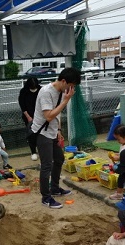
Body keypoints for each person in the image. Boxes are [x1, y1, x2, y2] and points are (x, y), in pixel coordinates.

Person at [30, 67, 81, 209]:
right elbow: (48, 115)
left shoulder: (61, 92)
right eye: (71, 86)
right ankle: (46, 198)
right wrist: (66, 101)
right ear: (64, 81)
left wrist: (58, 130)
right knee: (46, 165)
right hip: (42, 133)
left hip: (52, 132)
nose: (72, 90)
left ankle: (55, 188)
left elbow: (56, 114)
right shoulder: (46, 92)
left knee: (59, 159)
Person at [18, 77, 41, 161]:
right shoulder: (24, 91)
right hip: (28, 116)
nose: (34, 88)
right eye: (32, 86)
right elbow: (22, 105)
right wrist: (28, 117)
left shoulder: (40, 90)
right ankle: (33, 152)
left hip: (40, 115)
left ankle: (41, 151)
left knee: (41, 134)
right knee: (31, 134)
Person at [109, 124, 125, 200]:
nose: (118, 141)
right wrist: (116, 154)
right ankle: (119, 194)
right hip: (124, 168)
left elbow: (123, 157)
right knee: (120, 180)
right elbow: (121, 154)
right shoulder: (124, 144)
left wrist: (115, 157)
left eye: (118, 139)